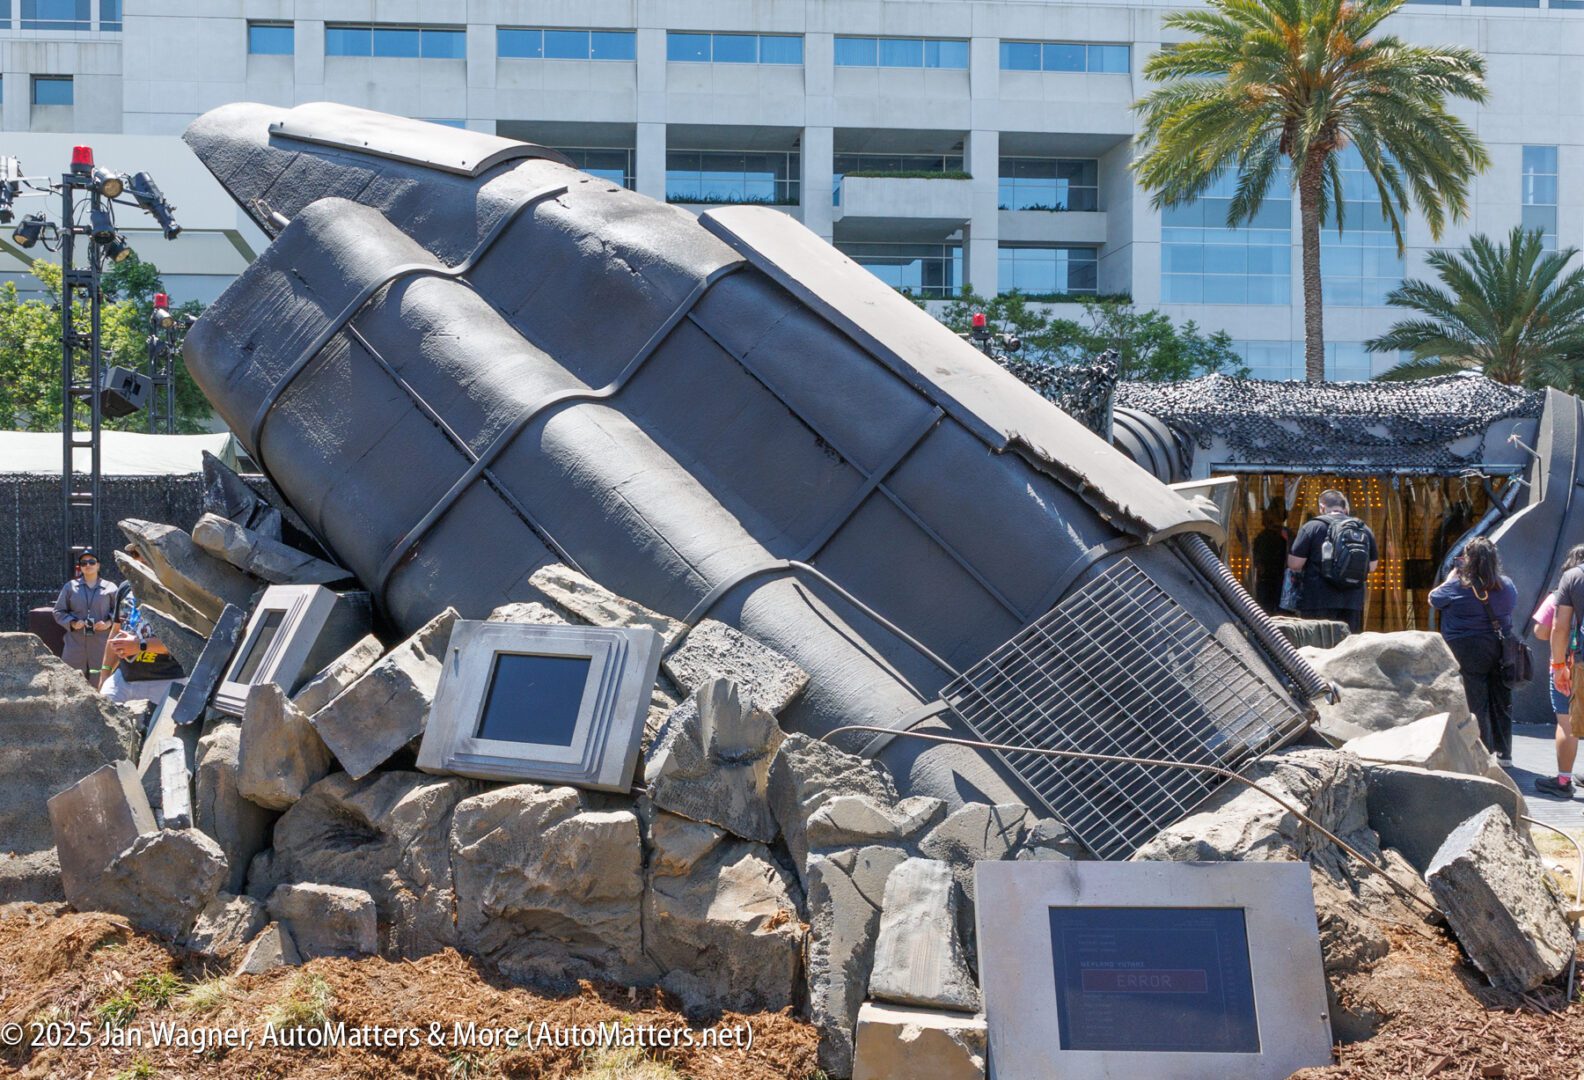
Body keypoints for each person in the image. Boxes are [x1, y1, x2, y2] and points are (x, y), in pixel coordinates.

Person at [1430, 536, 1519, 765]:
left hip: (1467, 648)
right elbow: (1510, 606)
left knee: (1475, 701)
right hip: (1500, 648)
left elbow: (1433, 599)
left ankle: (1483, 751)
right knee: (1501, 700)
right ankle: (1505, 754)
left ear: (1468, 560)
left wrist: (1451, 577)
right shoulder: (1507, 585)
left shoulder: (1458, 584)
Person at [98, 546, 186, 705]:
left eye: (147, 552)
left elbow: (183, 642)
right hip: (124, 678)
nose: (141, 558)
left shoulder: (177, 590)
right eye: (135, 553)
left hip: (168, 680)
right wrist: (104, 674)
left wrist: (139, 645)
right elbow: (115, 632)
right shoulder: (125, 587)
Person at [1531, 544, 1584, 797]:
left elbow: (1546, 630)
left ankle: (1563, 782)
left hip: (1573, 664)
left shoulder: (1565, 587)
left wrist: (1558, 664)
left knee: (1566, 723)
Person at [1286, 489, 1379, 633]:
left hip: (1317, 599)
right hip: (1352, 601)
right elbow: (1372, 566)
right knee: (1348, 646)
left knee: (1319, 646)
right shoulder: (1362, 529)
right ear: (1344, 508)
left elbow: (1295, 564)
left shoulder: (1313, 526)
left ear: (1322, 507)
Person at [51, 549, 119, 682]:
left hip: (101, 642)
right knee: (70, 679)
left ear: (98, 565)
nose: (88, 565)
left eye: (92, 562)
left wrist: (108, 623)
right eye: (84, 563)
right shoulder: (70, 587)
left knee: (102, 679)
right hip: (75, 641)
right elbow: (58, 611)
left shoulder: (111, 587)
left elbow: (121, 612)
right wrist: (72, 623)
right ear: (80, 567)